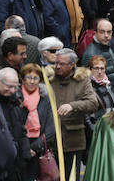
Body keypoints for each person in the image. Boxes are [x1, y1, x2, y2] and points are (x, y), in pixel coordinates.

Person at [48, 48, 100, 180]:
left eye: (62, 64)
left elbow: (93, 103)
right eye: (56, 63)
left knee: (71, 176)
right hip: (51, 140)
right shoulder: (49, 77)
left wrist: (73, 105)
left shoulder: (82, 80)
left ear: (72, 65)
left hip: (73, 140)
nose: (58, 66)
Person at [18, 64, 55, 181]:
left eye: (36, 78)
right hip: (19, 147)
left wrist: (34, 148)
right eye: (29, 77)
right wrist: (24, 148)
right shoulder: (16, 97)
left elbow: (51, 128)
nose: (32, 81)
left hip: (39, 148)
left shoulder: (45, 98)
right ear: (22, 79)